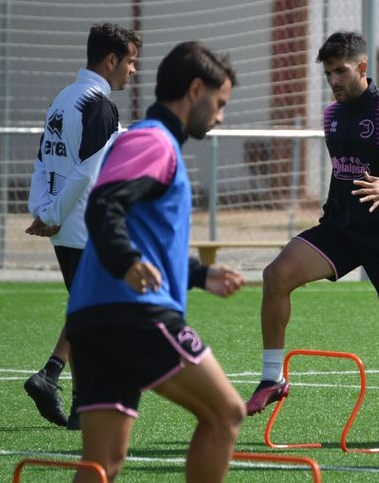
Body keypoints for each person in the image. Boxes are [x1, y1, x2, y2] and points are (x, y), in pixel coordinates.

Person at [65, 41, 246, 482]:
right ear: (196, 89)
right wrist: (125, 261)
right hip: (134, 314)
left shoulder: (149, 141)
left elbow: (147, 238)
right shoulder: (154, 140)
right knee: (226, 413)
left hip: (93, 317)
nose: (220, 116)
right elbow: (103, 207)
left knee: (103, 464)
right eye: (219, 104)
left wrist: (200, 275)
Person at [245, 30, 379, 453]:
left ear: (362, 68)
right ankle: (273, 378)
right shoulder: (331, 115)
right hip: (342, 233)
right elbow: (343, 172)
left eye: (341, 71)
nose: (334, 80)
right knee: (275, 276)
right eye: (328, 73)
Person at [24, 23, 141, 430]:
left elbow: (44, 160)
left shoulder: (63, 99)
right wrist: (52, 214)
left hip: (64, 224)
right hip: (84, 225)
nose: (133, 71)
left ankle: (68, 393)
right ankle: (57, 381)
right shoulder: (98, 104)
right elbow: (86, 174)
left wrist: (42, 209)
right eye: (130, 62)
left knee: (90, 309)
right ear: (111, 60)